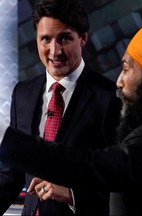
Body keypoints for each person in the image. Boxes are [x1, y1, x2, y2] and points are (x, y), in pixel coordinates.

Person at [0, 13, 142, 215]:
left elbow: (91, 165)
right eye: (45, 39)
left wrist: (4, 137)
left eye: (127, 68)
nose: (119, 81)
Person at [0, 0, 121, 215]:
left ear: (83, 38)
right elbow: (12, 174)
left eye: (64, 38)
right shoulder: (22, 93)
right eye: (45, 39)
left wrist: (72, 194)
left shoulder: (111, 98)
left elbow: (122, 182)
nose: (55, 51)